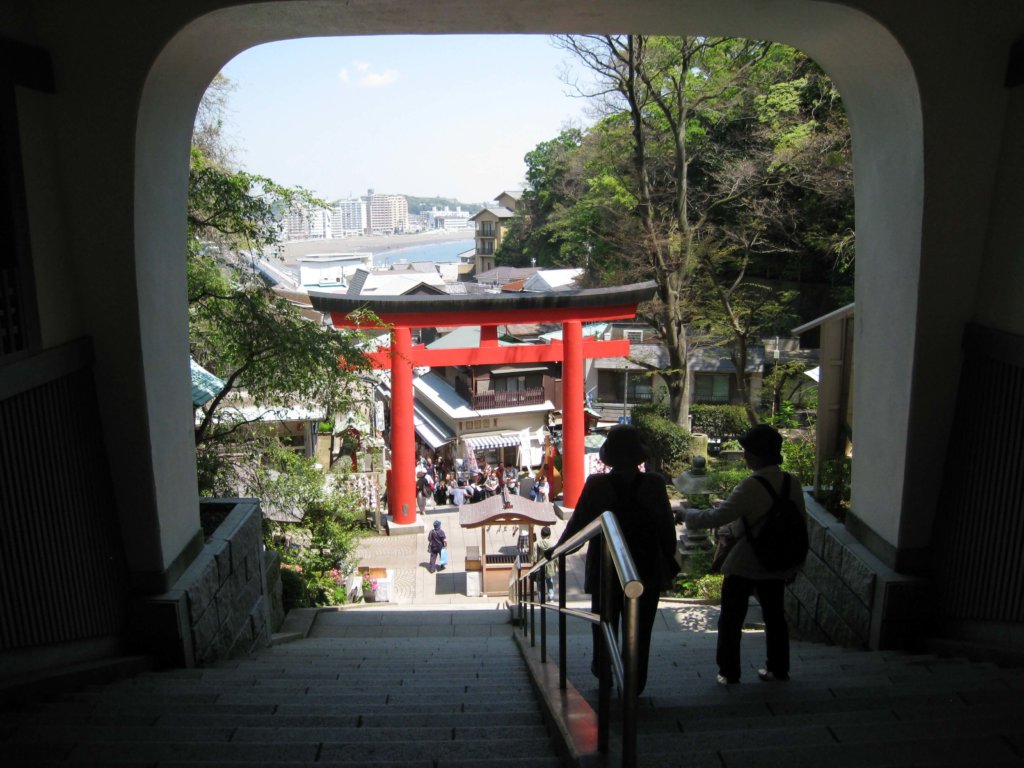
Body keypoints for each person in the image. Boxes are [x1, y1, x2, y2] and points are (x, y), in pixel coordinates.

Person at [555, 425, 676, 695]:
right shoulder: (654, 483)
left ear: (608, 455)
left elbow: (578, 524)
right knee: (641, 631)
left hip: (605, 567)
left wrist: (559, 551)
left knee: (605, 623)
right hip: (646, 566)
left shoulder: (598, 485)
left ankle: (605, 672)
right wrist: (669, 558)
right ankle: (634, 684)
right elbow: (666, 528)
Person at [683, 424, 806, 685]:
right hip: (776, 560)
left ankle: (729, 672)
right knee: (775, 617)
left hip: (746, 562)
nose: (745, 456)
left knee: (731, 618)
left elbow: (717, 516)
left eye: (748, 451)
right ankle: (778, 668)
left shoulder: (751, 485)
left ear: (757, 455)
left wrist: (688, 516)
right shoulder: (791, 482)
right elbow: (798, 523)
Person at [533, 526, 557, 600]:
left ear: (541, 535)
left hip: (541, 565)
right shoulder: (553, 544)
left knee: (540, 583)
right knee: (549, 580)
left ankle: (541, 598)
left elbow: (534, 557)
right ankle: (551, 595)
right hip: (550, 565)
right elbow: (556, 556)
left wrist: (534, 566)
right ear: (549, 535)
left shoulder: (537, 544)